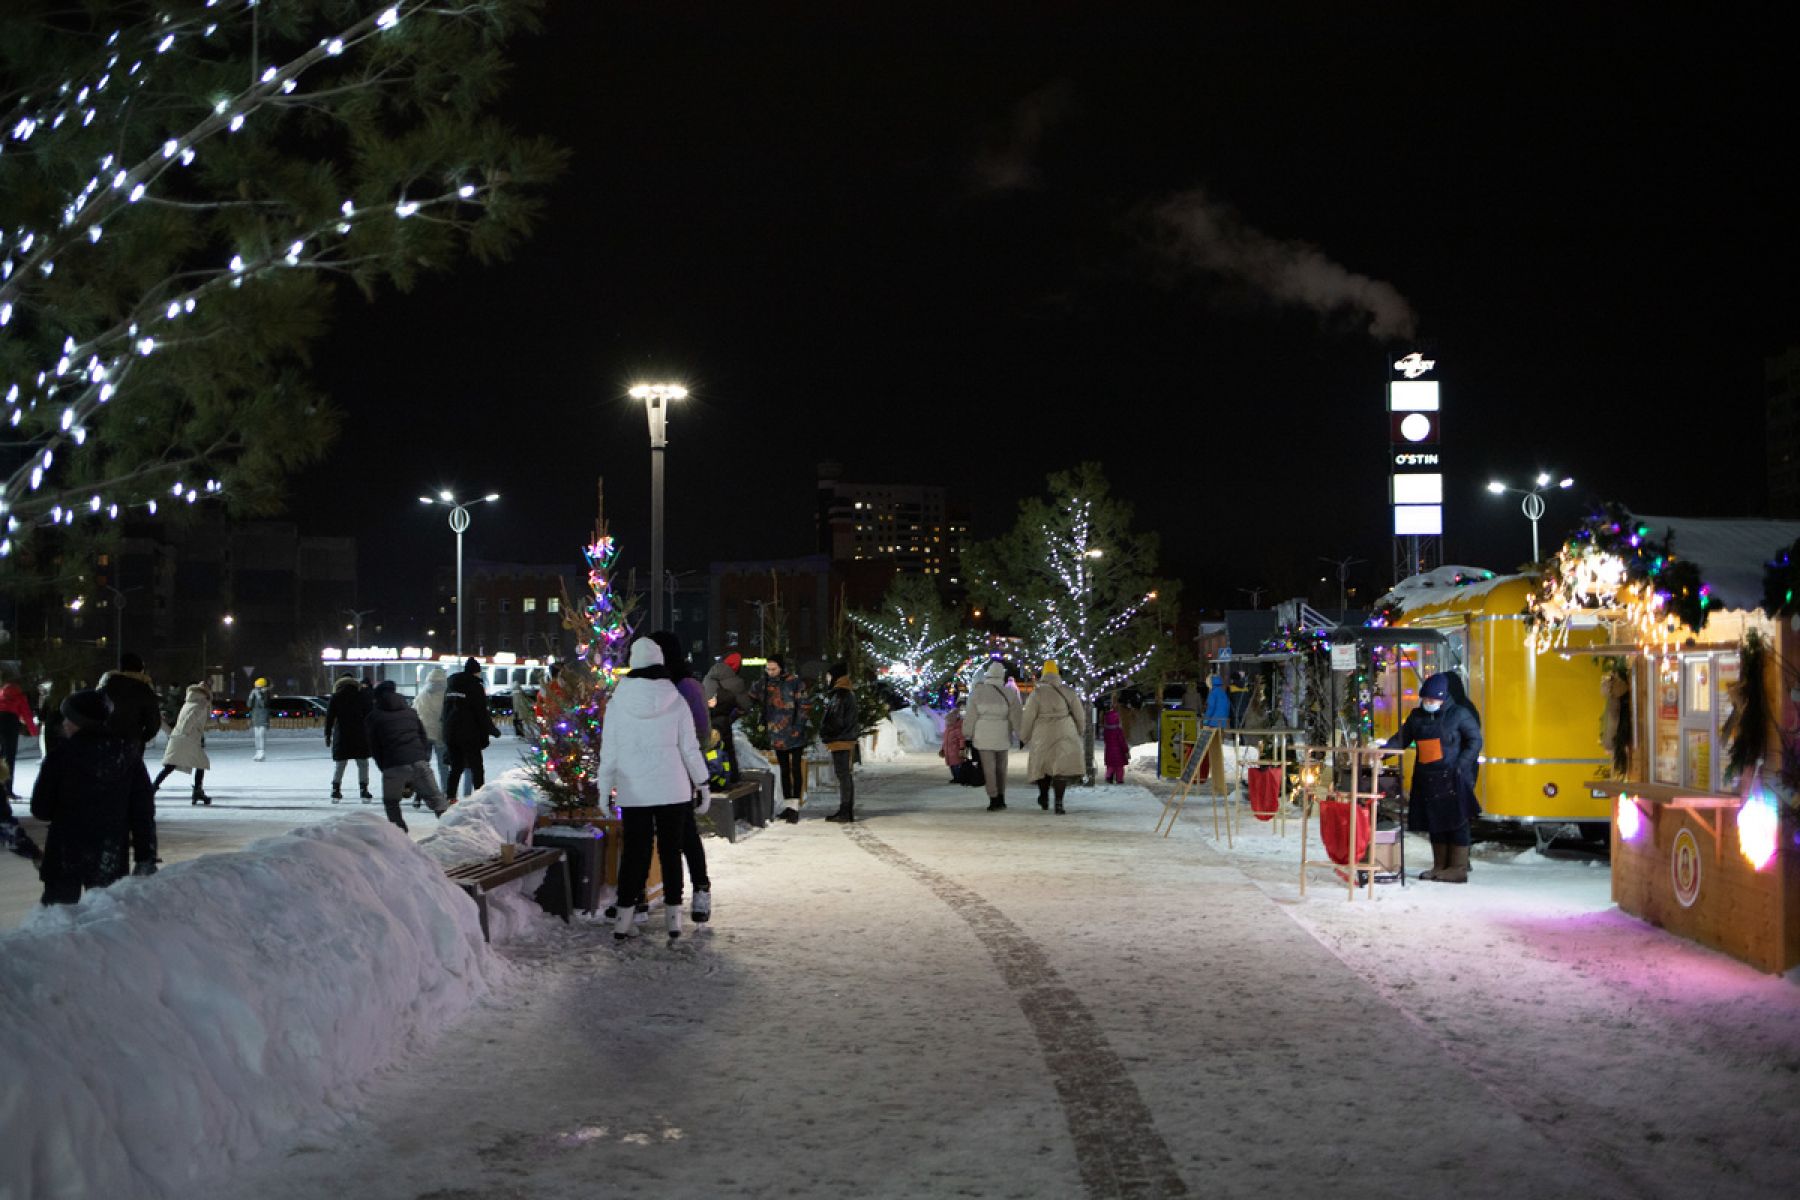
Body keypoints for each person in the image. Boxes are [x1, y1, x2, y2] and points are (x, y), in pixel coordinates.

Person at [597, 637, 709, 944]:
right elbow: (689, 748)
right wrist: (702, 782)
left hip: (635, 790)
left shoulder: (618, 703)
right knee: (670, 852)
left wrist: (604, 790)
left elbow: (610, 753)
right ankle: (674, 920)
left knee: (635, 852)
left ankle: (623, 920)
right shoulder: (676, 698)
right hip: (673, 789)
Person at [31, 688, 157, 905]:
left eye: (68, 718)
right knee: (104, 922)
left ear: (80, 722)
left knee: (55, 923)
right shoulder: (128, 757)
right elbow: (142, 811)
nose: (63, 724)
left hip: (65, 852)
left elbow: (40, 809)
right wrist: (145, 855)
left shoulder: (60, 757)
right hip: (110, 854)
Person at [1385, 672, 1483, 884]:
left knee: (1456, 821)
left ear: (1443, 697)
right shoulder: (1417, 716)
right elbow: (1401, 738)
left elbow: (1474, 740)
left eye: (1433, 699)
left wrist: (1461, 764)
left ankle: (1457, 868)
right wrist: (1383, 751)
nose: (1428, 703)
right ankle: (1439, 865)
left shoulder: (1459, 714)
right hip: (1427, 777)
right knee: (1435, 822)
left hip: (1453, 776)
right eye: (1425, 699)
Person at [647, 630, 714, 926]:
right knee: (651, 834)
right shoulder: (648, 684)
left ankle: (701, 889)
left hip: (679, 774)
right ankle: (643, 895)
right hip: (650, 771)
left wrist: (692, 772)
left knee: (685, 833)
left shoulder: (687, 686)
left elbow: (701, 734)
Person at [364, 680, 447, 833]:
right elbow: (422, 736)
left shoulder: (374, 717)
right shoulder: (410, 712)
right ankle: (452, 829)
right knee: (437, 800)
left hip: (393, 764)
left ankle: (401, 835)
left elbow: (374, 746)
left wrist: (385, 766)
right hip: (418, 761)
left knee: (391, 802)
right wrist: (420, 756)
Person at [1021, 660, 1087, 813]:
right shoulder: (1068, 692)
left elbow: (1028, 716)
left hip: (1042, 733)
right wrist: (1079, 730)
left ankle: (1043, 796)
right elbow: (1079, 714)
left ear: (1043, 674)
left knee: (1043, 766)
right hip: (1065, 730)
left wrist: (1024, 736)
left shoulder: (1036, 693)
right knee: (1060, 768)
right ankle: (1059, 802)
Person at [750, 654, 809, 823]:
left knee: (795, 769)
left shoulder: (794, 682)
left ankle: (794, 807)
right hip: (777, 733)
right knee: (784, 770)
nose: (770, 672)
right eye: (768, 669)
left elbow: (804, 706)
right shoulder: (765, 683)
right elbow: (752, 697)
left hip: (794, 733)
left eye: (773, 669)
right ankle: (788, 805)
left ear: (781, 668)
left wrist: (798, 727)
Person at [963, 661, 1021, 811]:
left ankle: (993, 798)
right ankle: (1001, 796)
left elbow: (971, 716)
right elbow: (1016, 716)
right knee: (1002, 767)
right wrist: (1021, 735)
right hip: (1002, 732)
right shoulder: (1010, 693)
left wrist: (967, 735)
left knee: (989, 768)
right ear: (1002, 675)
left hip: (983, 734)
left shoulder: (978, 692)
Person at [443, 657, 500, 799]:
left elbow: (445, 711)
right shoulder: (475, 686)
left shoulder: (451, 686)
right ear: (476, 672)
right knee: (476, 767)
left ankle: (450, 797)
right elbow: (481, 712)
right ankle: (479, 796)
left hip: (451, 732)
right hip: (469, 733)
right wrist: (492, 729)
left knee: (456, 767)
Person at [153, 681, 213, 804]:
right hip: (187, 739)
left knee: (171, 765)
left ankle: (152, 788)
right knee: (200, 763)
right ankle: (197, 791)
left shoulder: (190, 702)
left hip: (181, 738)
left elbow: (194, 720)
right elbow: (189, 720)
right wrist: (185, 733)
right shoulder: (200, 704)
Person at [99, 652, 165, 757]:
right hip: (131, 742)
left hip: (104, 742)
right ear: (140, 669)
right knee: (130, 771)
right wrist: (140, 738)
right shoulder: (144, 690)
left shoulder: (105, 687)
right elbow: (153, 722)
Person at [818, 662, 861, 822]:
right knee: (844, 775)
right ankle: (846, 809)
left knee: (843, 775)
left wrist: (826, 732)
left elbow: (835, 719)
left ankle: (845, 810)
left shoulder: (840, 695)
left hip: (840, 739)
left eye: (829, 676)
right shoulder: (846, 693)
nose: (827, 679)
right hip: (845, 738)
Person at [702, 651, 751, 786]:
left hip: (706, 718)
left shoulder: (709, 676)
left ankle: (710, 777)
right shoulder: (736, 682)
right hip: (722, 719)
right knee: (727, 750)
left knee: (710, 749)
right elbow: (745, 706)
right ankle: (730, 778)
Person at [324, 674, 374, 802]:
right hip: (360, 734)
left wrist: (328, 735)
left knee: (340, 764)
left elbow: (329, 718)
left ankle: (336, 789)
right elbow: (370, 715)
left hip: (342, 734)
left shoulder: (336, 697)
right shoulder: (361, 696)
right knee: (363, 763)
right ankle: (364, 789)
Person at [413, 666, 456, 800]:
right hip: (440, 735)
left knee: (424, 765)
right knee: (443, 765)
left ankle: (421, 792)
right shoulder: (447, 695)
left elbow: (414, 713)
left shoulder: (421, 695)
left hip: (423, 735)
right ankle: (445, 792)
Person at [1, 671, 40, 804]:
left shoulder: (1, 694)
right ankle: (8, 790)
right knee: (9, 758)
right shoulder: (19, 696)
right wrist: (34, 731)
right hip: (10, 723)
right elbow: (26, 714)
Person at [1101, 699, 1129, 785]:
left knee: (1110, 766)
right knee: (1119, 767)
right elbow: (1122, 741)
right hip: (1119, 752)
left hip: (1109, 751)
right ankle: (1119, 779)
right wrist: (1126, 750)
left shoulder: (1106, 730)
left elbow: (1105, 739)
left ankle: (1108, 776)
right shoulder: (1118, 730)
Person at [941, 698, 967, 784]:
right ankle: (955, 777)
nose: (947, 722)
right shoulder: (947, 730)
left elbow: (961, 739)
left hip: (955, 751)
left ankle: (959, 778)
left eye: (949, 721)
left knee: (956, 766)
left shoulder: (957, 729)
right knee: (952, 766)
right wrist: (942, 749)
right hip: (949, 751)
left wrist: (962, 748)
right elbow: (945, 740)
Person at [247, 677, 272, 762]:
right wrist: (251, 696)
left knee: (261, 735)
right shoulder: (255, 693)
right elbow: (249, 705)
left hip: (263, 716)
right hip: (255, 716)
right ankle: (257, 752)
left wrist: (259, 696)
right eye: (256, 687)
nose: (256, 689)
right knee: (256, 736)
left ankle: (262, 753)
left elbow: (264, 704)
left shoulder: (266, 693)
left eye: (258, 687)